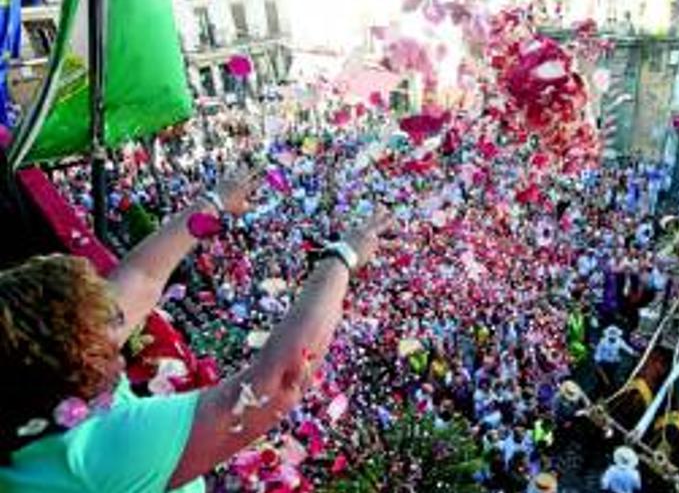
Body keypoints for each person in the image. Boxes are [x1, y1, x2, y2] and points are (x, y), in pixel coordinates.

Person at [0, 169, 392, 492]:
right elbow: (282, 378)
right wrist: (342, 257)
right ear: (79, 354)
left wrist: (215, 203)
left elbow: (141, 276)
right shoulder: (94, 452)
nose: (118, 321)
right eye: (103, 323)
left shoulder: (40, 392)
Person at [594, 326, 636, 396]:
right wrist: (603, 376)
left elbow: (628, 349)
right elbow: (597, 360)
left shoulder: (619, 341)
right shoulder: (602, 342)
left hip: (614, 364)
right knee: (602, 382)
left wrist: (634, 353)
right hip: (603, 365)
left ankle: (610, 391)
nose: (613, 339)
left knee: (611, 380)